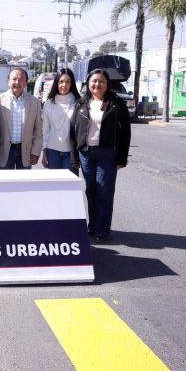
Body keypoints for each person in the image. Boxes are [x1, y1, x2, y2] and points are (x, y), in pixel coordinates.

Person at [71, 68, 131, 244]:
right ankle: (93, 226)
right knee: (91, 191)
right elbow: (73, 131)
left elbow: (125, 132)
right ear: (88, 83)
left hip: (107, 153)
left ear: (107, 84)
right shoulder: (81, 103)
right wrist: (75, 157)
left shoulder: (116, 103)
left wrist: (121, 158)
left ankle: (103, 231)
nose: (97, 84)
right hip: (86, 153)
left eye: (101, 81)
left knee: (104, 192)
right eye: (94, 81)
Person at [0, 68, 42, 169]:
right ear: (8, 81)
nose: (17, 82)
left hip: (25, 152)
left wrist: (36, 152)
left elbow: (38, 131)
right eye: (14, 79)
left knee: (24, 184)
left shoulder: (35, 102)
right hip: (4, 151)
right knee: (5, 184)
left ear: (26, 83)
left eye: (21, 79)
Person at [41, 68, 81, 175]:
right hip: (52, 151)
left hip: (71, 152)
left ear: (72, 83)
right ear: (56, 83)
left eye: (68, 82)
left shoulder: (78, 103)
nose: (64, 85)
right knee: (54, 188)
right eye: (61, 81)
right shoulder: (48, 104)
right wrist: (44, 153)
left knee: (70, 188)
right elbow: (45, 129)